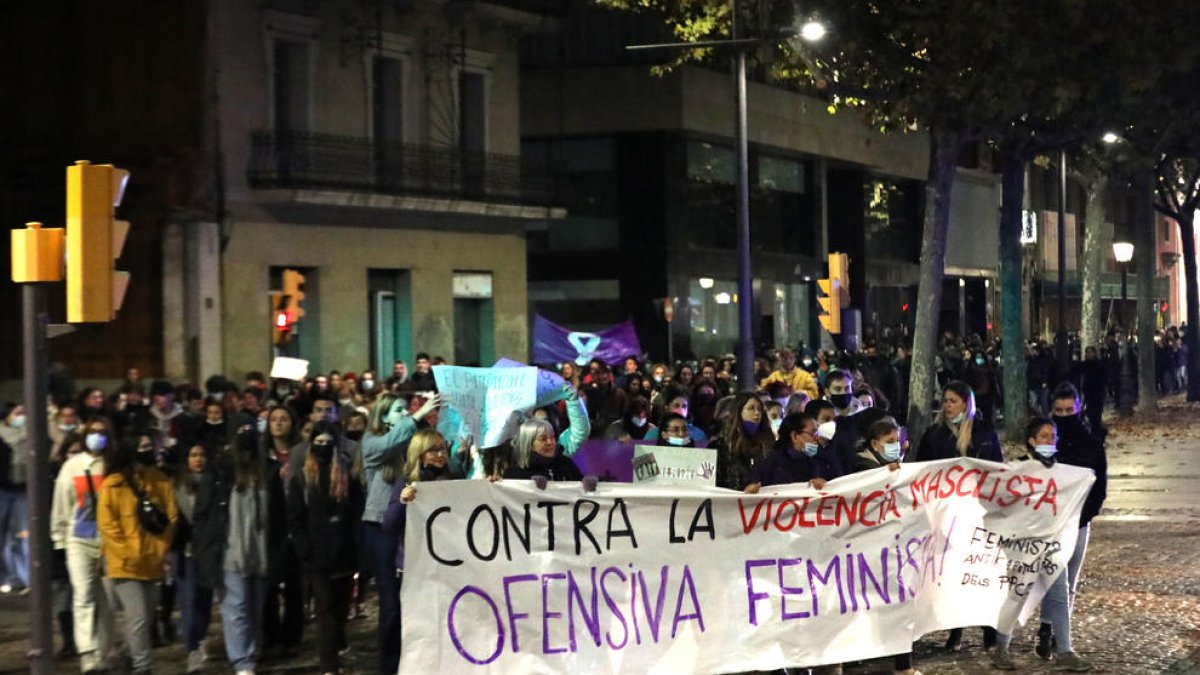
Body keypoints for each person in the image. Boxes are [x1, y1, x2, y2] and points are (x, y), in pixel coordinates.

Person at [991, 417, 1092, 672]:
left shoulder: (1063, 474)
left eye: (1052, 436)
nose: (1049, 441)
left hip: (1051, 545)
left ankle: (1065, 651)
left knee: (1059, 595)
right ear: (1032, 441)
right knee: (1016, 596)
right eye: (1044, 436)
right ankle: (1001, 648)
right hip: (1023, 546)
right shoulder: (1018, 470)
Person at [913, 381, 1002, 652]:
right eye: (945, 400)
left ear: (966, 402)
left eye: (952, 400)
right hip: (947, 513)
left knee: (982, 569)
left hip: (979, 512)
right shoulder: (935, 434)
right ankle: (956, 629)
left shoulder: (984, 432)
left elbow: (996, 466)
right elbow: (922, 468)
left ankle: (990, 628)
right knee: (953, 571)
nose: (947, 405)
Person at [192, 429, 285, 675]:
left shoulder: (269, 472)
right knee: (236, 607)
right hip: (230, 551)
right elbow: (204, 512)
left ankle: (252, 651)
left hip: (260, 551)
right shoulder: (221, 472)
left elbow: (277, 515)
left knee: (256, 605)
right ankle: (242, 661)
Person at [361, 393, 439, 675]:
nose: (405, 413)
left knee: (417, 600)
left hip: (414, 531)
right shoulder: (372, 443)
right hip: (381, 529)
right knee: (391, 603)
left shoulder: (411, 440)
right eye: (398, 410)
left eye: (407, 409)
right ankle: (389, 665)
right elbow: (386, 445)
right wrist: (416, 418)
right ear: (383, 417)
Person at [96, 433, 179, 675]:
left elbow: (170, 518)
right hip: (123, 564)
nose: (147, 450)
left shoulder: (159, 481)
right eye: (142, 446)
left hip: (152, 561)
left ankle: (122, 658)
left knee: (145, 618)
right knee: (139, 618)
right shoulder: (113, 485)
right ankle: (143, 668)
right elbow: (107, 525)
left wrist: (159, 550)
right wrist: (128, 553)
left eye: (148, 445)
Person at [287, 422, 364, 675]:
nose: (322, 447)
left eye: (326, 443)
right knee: (325, 611)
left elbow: (355, 513)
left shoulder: (346, 476)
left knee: (340, 611)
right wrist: (304, 548)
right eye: (317, 443)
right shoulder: (302, 478)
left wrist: (356, 548)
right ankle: (328, 665)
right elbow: (295, 518)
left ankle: (336, 646)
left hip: (343, 553)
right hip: (316, 556)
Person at [51, 417, 115, 673]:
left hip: (110, 541)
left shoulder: (113, 465)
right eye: (93, 432)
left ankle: (103, 651)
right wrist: (59, 536)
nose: (97, 436)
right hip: (79, 538)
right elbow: (62, 502)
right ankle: (88, 654)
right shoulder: (72, 466)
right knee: (83, 595)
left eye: (102, 432)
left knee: (108, 600)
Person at [258, 406, 304, 656]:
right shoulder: (262, 455)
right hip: (270, 525)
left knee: (296, 585)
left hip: (296, 522)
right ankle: (270, 635)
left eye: (283, 419)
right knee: (269, 585)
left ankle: (292, 636)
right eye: (273, 419)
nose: (278, 424)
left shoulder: (300, 453)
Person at [173, 444, 215, 673]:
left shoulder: (214, 482)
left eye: (202, 455)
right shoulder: (179, 485)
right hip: (186, 551)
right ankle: (192, 648)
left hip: (207, 551)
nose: (198, 459)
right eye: (193, 455)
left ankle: (200, 640)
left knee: (204, 602)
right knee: (189, 601)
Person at [743, 413, 836, 493]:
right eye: (813, 433)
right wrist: (751, 492)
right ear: (795, 436)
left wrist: (828, 487)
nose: (817, 438)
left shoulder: (824, 462)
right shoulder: (768, 466)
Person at [709, 393, 775, 490]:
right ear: (739, 411)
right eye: (751, 408)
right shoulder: (720, 445)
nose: (757, 413)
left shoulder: (768, 443)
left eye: (759, 409)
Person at [0, 404, 29, 594]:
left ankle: (23, 577)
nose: (21, 417)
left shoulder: (28, 434)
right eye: (17, 413)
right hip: (3, 489)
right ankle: (5, 576)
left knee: (22, 536)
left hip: (21, 489)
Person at [503, 418, 584, 482]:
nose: (550, 442)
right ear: (529, 444)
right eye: (543, 438)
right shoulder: (514, 474)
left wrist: (587, 483)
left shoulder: (566, 464)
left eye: (552, 437)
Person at [643, 388, 709, 445]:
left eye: (684, 406)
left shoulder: (699, 435)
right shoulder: (652, 435)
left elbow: (705, 458)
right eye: (676, 405)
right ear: (667, 407)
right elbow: (643, 457)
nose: (681, 410)